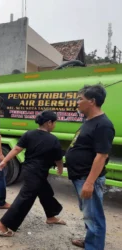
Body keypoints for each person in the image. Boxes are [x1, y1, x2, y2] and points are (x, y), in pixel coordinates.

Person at [0, 110, 65, 237]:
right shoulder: (53, 139)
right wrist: (60, 168)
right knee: (26, 198)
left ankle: (51, 216)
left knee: (45, 192)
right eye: (54, 123)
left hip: (29, 170)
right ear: (49, 123)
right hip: (36, 173)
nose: (55, 125)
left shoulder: (29, 134)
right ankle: (3, 225)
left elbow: (16, 149)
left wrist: (5, 160)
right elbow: (58, 158)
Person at [65, 84, 115, 250]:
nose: (77, 102)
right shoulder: (89, 120)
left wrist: (89, 183)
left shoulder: (104, 125)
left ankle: (94, 246)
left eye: (81, 99)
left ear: (92, 101)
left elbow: (102, 156)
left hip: (87, 178)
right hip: (80, 176)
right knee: (89, 215)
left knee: (94, 218)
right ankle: (90, 241)